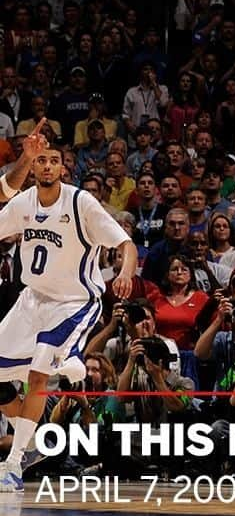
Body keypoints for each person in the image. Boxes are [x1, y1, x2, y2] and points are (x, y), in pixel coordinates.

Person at [0, 122, 135, 491]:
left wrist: (124, 272)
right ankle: (34, 440)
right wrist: (22, 159)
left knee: (39, 374)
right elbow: (3, 192)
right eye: (40, 160)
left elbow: (126, 245)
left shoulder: (81, 202)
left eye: (52, 160)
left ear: (63, 168)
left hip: (74, 301)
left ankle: (12, 465)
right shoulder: (24, 202)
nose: (45, 166)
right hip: (32, 300)